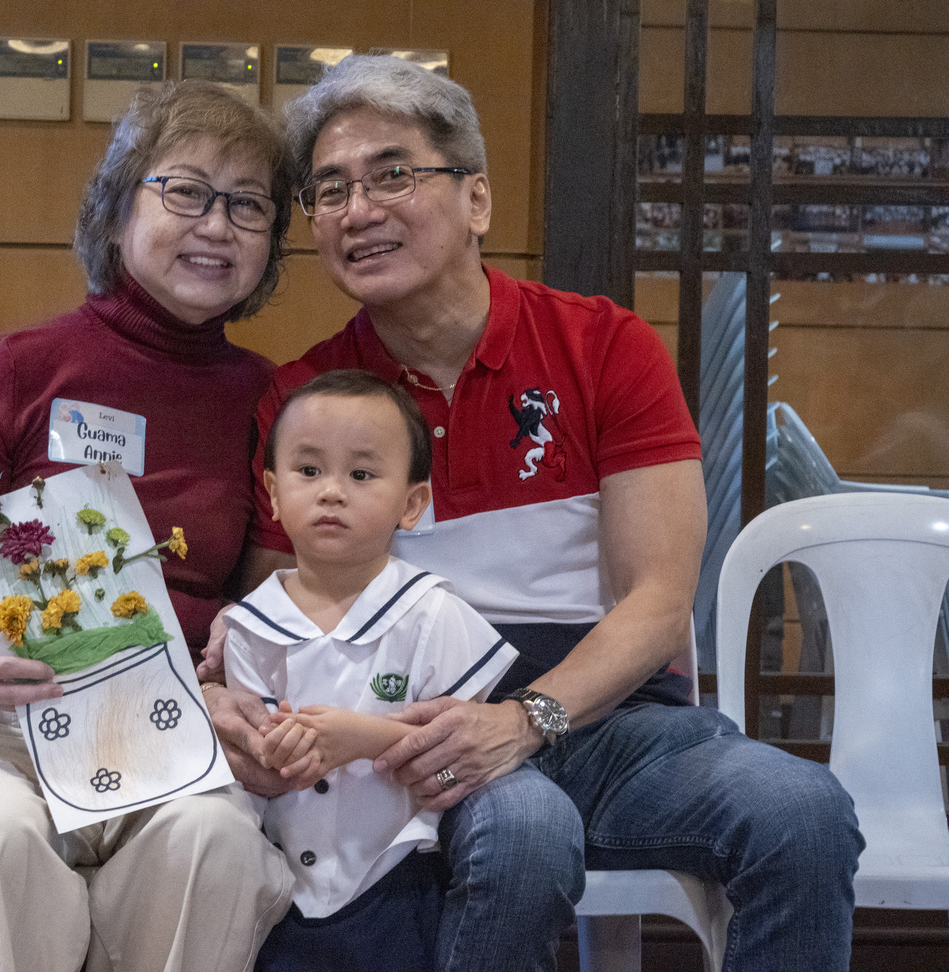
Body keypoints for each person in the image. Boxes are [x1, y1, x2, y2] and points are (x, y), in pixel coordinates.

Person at [203, 55, 864, 971]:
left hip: (612, 726)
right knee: (522, 836)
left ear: (476, 199)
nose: (357, 211)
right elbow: (277, 611)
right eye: (330, 190)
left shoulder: (603, 346)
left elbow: (659, 599)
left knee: (802, 811)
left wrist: (526, 721)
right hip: (408, 744)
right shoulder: (306, 401)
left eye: (393, 173)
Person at [0, 79, 294, 972]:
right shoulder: (25, 367)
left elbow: (271, 602)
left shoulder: (272, 399)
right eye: (185, 191)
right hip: (5, 722)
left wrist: (242, 643)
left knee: (215, 842)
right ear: (114, 215)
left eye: (247, 205)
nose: (216, 224)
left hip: (174, 728)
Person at [223, 370, 517, 972]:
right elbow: (246, 747)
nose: (332, 492)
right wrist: (274, 749)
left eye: (360, 475)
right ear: (273, 493)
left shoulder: (434, 613)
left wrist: (360, 739)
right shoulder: (249, 625)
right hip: (279, 885)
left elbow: (467, 749)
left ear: (412, 503)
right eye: (309, 472)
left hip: (399, 877)